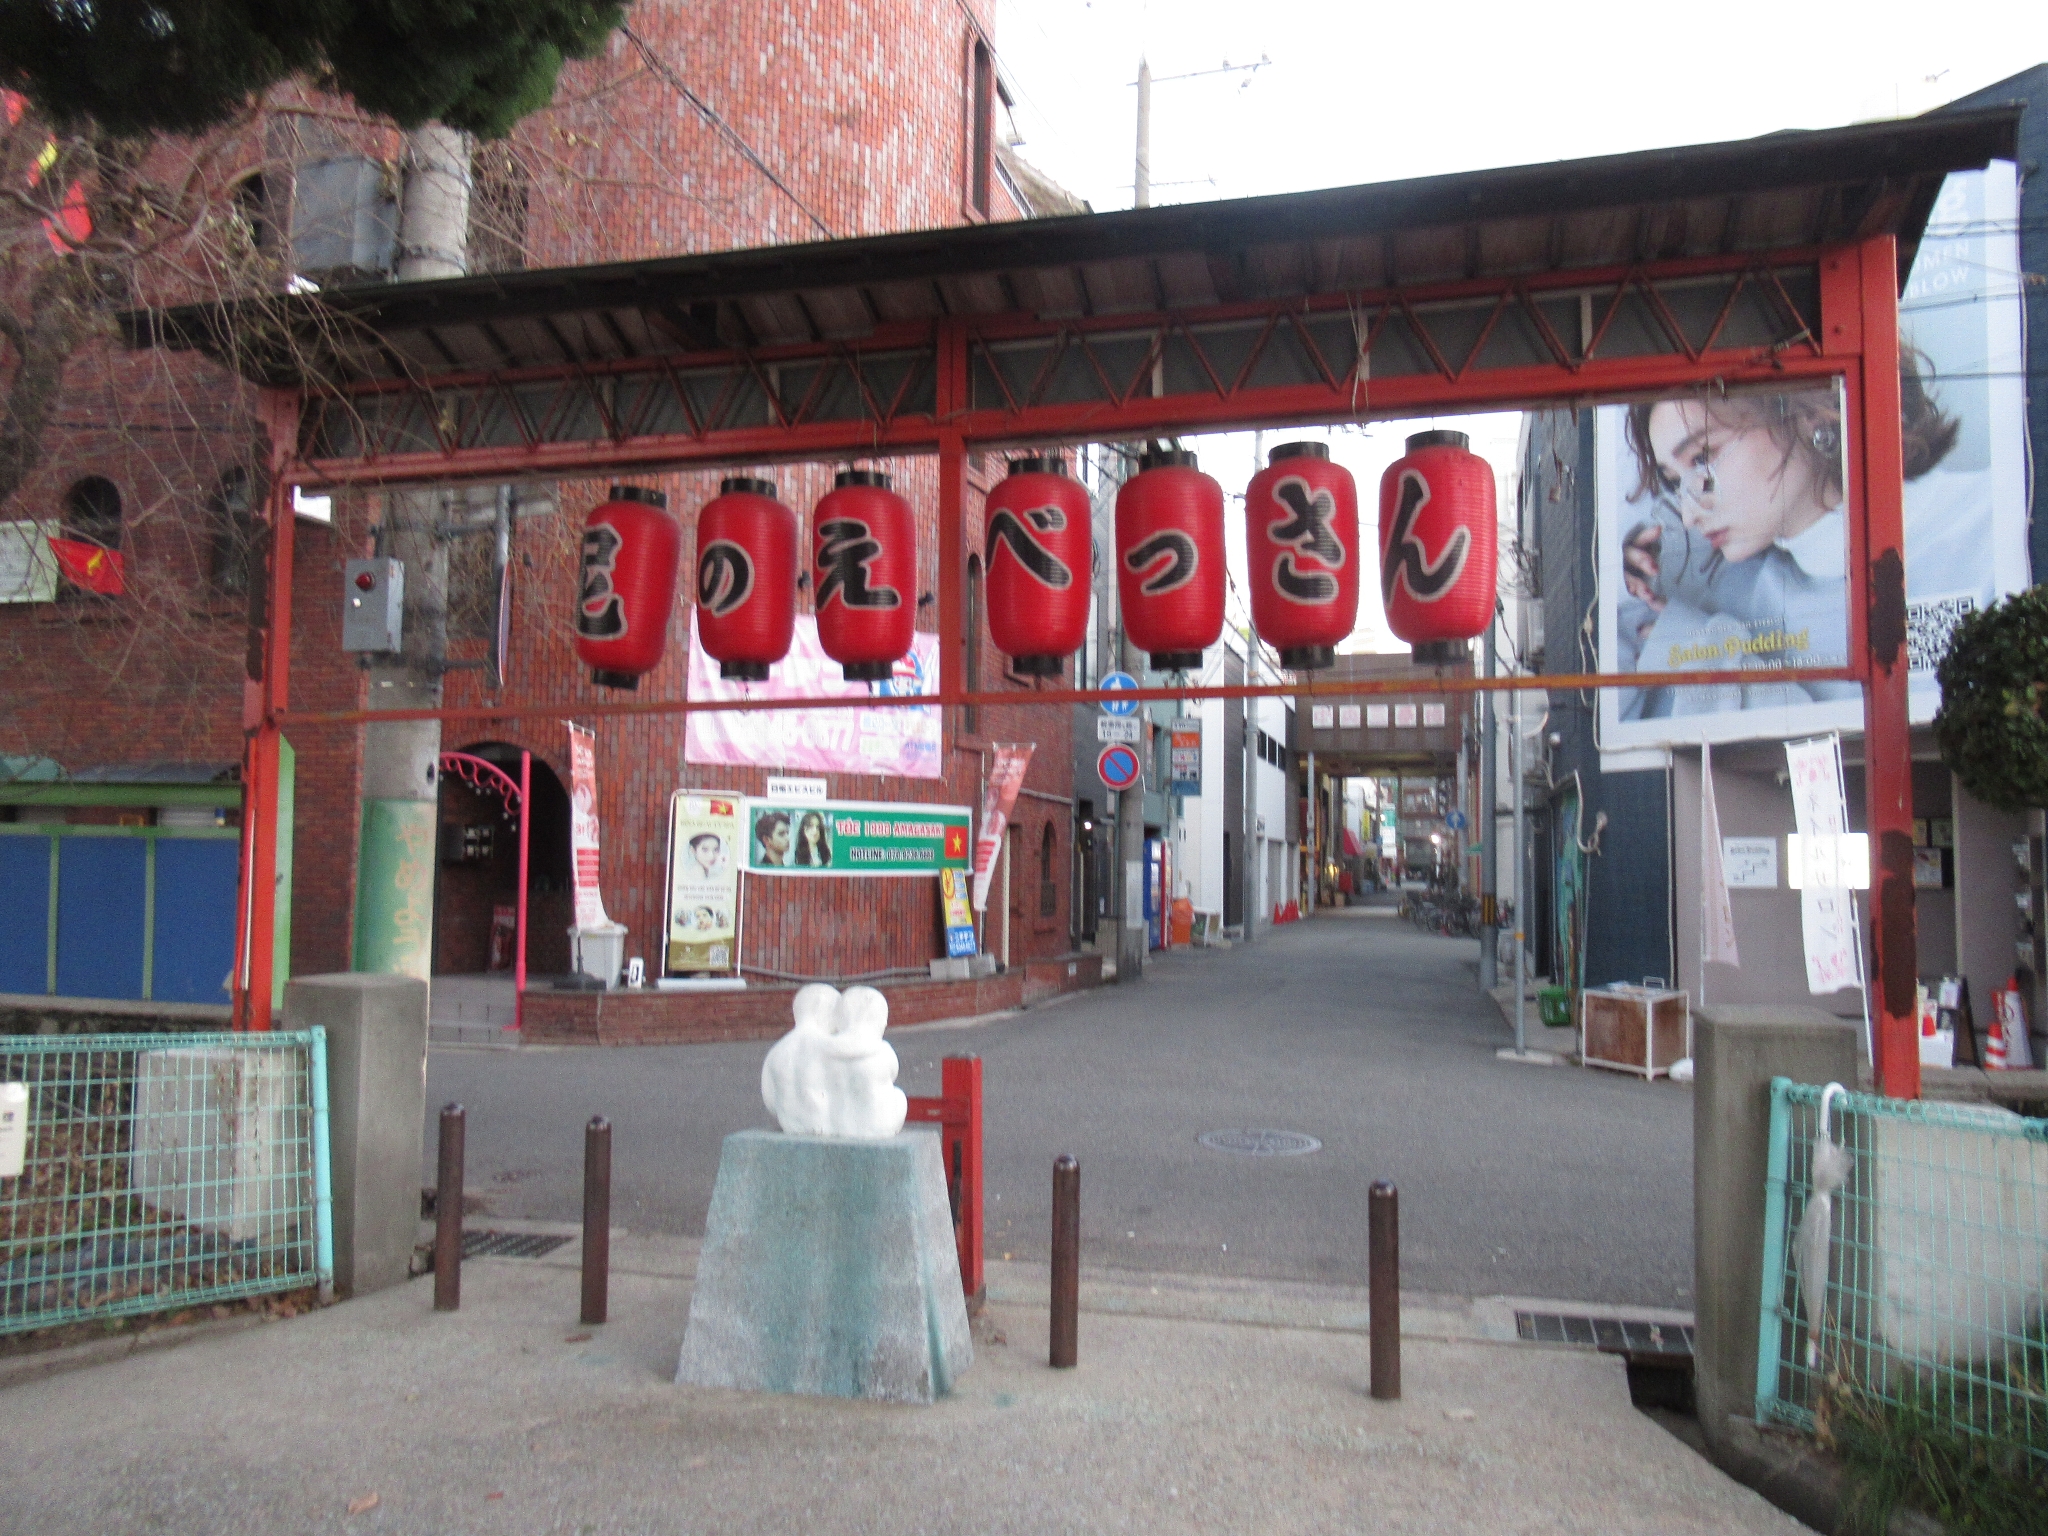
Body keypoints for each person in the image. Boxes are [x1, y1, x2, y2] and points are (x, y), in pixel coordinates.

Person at [1614, 365, 1958, 718]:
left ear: (1807, 413)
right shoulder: (1726, 602)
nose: (1690, 513)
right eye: (1673, 481)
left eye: (1702, 458)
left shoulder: (1981, 526)